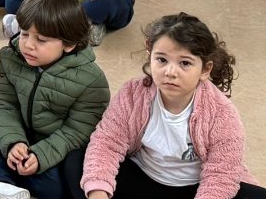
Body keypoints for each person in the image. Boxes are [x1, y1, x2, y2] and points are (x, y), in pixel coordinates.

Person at [75, 13, 266, 199]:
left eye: (185, 63)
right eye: (162, 60)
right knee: (76, 163)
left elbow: (221, 176)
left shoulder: (222, 113)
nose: (170, 72)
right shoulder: (133, 94)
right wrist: (98, 192)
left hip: (195, 187)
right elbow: (107, 143)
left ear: (205, 70)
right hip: (142, 179)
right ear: (150, 56)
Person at [0, 0, 109, 199]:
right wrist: (14, 142)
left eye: (41, 39)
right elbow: (4, 105)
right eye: (24, 34)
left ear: (69, 44)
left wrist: (40, 156)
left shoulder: (91, 80)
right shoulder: (11, 57)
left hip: (55, 148)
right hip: (21, 134)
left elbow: (77, 132)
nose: (28, 45)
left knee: (58, 185)